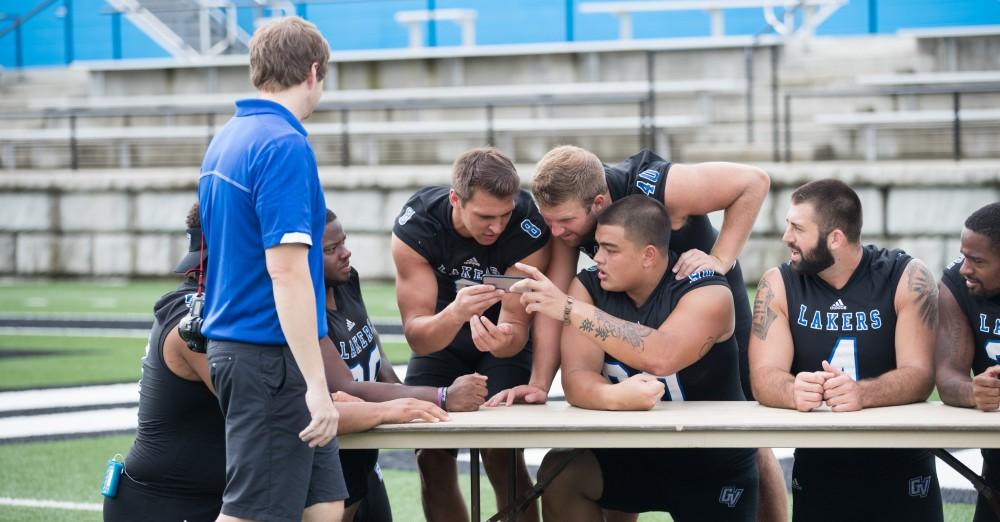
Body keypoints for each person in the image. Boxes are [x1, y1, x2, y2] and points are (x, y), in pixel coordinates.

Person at [489, 145, 784, 522]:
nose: (556, 232)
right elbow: (554, 300)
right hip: (626, 298)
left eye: (564, 221)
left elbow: (753, 181)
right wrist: (540, 382)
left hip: (694, 299)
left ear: (597, 203)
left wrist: (719, 260)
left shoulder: (656, 185)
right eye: (549, 222)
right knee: (619, 426)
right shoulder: (578, 248)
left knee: (745, 425)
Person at [198, 17, 345, 522]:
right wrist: (316, 384)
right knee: (252, 513)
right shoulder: (283, 144)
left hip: (254, 349)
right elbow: (286, 272)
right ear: (313, 71)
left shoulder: (229, 136)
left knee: (323, 504)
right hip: (268, 355)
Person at [749, 179, 942, 522]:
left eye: (797, 228)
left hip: (902, 460)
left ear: (835, 238)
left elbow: (921, 375)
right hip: (820, 462)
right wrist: (792, 389)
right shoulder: (778, 283)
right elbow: (763, 376)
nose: (786, 237)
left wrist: (862, 393)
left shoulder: (906, 276)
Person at [391, 146, 550, 521]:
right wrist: (456, 313)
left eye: (504, 214)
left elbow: (517, 330)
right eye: (484, 216)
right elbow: (418, 336)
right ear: (455, 200)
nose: (496, 227)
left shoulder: (527, 227)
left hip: (501, 343)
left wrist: (504, 338)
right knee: (430, 455)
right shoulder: (418, 227)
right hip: (442, 333)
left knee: (502, 453)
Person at [318, 208, 488, 521]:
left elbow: (374, 349)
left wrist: (404, 391)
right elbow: (343, 386)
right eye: (331, 249)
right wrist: (441, 396)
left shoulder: (346, 281)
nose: (346, 253)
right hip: (334, 454)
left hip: (365, 450)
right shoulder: (303, 310)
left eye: (343, 242)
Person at [103, 204, 224, 522]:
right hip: (165, 504)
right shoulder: (193, 323)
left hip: (198, 498)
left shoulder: (209, 308)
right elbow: (262, 405)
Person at [935, 202, 1000, 522]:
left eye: (977, 260)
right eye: (964, 256)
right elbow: (947, 377)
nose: (965, 269)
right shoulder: (956, 284)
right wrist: (975, 392)